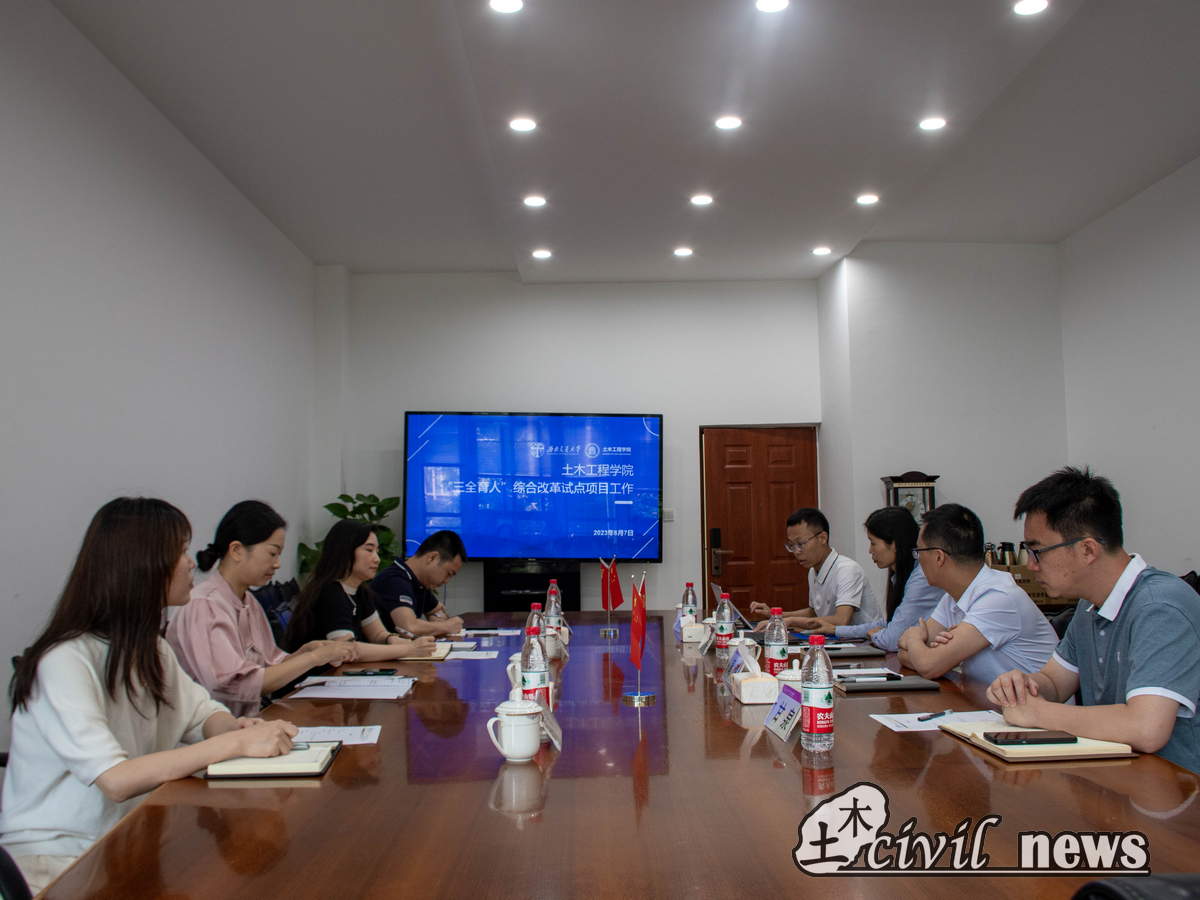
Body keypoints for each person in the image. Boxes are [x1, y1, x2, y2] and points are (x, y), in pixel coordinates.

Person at [0, 498, 298, 893]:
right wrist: (234, 743)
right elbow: (116, 778)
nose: (191, 563)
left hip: (128, 837)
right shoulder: (64, 660)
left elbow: (200, 714)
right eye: (179, 552)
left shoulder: (151, 648)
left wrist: (234, 727)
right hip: (58, 860)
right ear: (139, 564)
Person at [987, 467, 1200, 773]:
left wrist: (1036, 713)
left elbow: (1146, 728)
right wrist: (1021, 686)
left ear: (1088, 549)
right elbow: (1054, 683)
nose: (1031, 566)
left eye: (1037, 552)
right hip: (1115, 777)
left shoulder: (1160, 607)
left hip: (1174, 788)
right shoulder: (1090, 605)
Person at [166, 500, 357, 716]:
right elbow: (238, 683)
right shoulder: (204, 605)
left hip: (249, 724)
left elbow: (270, 666)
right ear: (237, 550)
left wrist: (306, 652)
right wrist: (313, 659)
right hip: (214, 731)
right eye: (272, 553)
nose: (277, 564)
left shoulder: (248, 601)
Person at [897, 503, 1057, 684]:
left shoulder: (997, 597)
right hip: (987, 697)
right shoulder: (952, 597)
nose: (918, 559)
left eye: (918, 552)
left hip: (1035, 700)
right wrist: (925, 652)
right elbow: (904, 654)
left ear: (938, 557)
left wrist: (914, 640)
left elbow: (928, 665)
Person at [285, 521, 437, 658]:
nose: (377, 559)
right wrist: (407, 650)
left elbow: (377, 634)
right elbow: (346, 650)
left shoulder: (360, 592)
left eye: (377, 551)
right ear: (345, 550)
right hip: (316, 677)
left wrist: (394, 640)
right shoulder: (330, 592)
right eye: (369, 550)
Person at [803, 507, 944, 652]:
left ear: (895, 544)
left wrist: (874, 635)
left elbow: (891, 639)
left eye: (873, 543)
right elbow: (889, 624)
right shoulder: (901, 576)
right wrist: (837, 631)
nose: (870, 551)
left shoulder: (920, 578)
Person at [750, 508, 883, 629]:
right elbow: (813, 613)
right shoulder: (813, 571)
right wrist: (776, 616)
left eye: (801, 543)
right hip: (836, 640)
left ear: (822, 538)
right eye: (791, 545)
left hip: (865, 643)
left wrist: (790, 621)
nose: (796, 552)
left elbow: (841, 620)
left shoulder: (847, 570)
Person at [371, 530, 466, 638]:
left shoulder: (419, 582)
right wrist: (445, 626)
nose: (447, 581)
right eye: (448, 573)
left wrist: (437, 618)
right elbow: (409, 628)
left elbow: (440, 610)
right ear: (432, 558)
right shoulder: (396, 580)